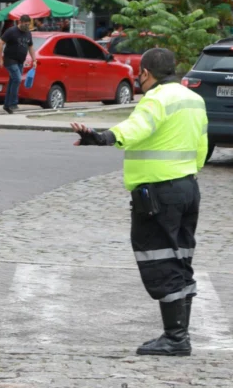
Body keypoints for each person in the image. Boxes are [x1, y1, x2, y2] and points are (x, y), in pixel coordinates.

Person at [70, 48, 208, 357]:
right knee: (180, 259)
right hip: (187, 187)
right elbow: (202, 144)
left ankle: (175, 339)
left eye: (140, 74)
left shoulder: (156, 99)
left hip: (159, 193)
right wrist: (187, 174)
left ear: (145, 73)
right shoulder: (193, 99)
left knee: (160, 259)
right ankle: (179, 335)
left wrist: (101, 137)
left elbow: (135, 129)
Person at [0, 15, 36, 114]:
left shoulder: (28, 33)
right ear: (20, 22)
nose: (26, 26)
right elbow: (0, 42)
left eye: (28, 25)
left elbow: (30, 46)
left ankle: (7, 105)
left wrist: (34, 60)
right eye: (25, 24)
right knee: (17, 79)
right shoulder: (11, 31)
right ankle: (13, 103)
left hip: (20, 61)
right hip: (10, 60)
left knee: (12, 81)